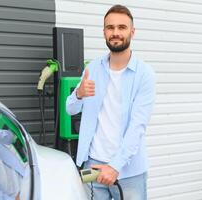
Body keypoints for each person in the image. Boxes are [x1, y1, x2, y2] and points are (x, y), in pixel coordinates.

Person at [66, 4, 156, 200]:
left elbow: (137, 126)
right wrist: (78, 94)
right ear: (104, 32)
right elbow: (70, 109)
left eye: (122, 27)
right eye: (110, 27)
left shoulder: (144, 74)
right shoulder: (93, 68)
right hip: (93, 165)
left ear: (132, 31)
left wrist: (115, 166)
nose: (115, 33)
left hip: (128, 171)